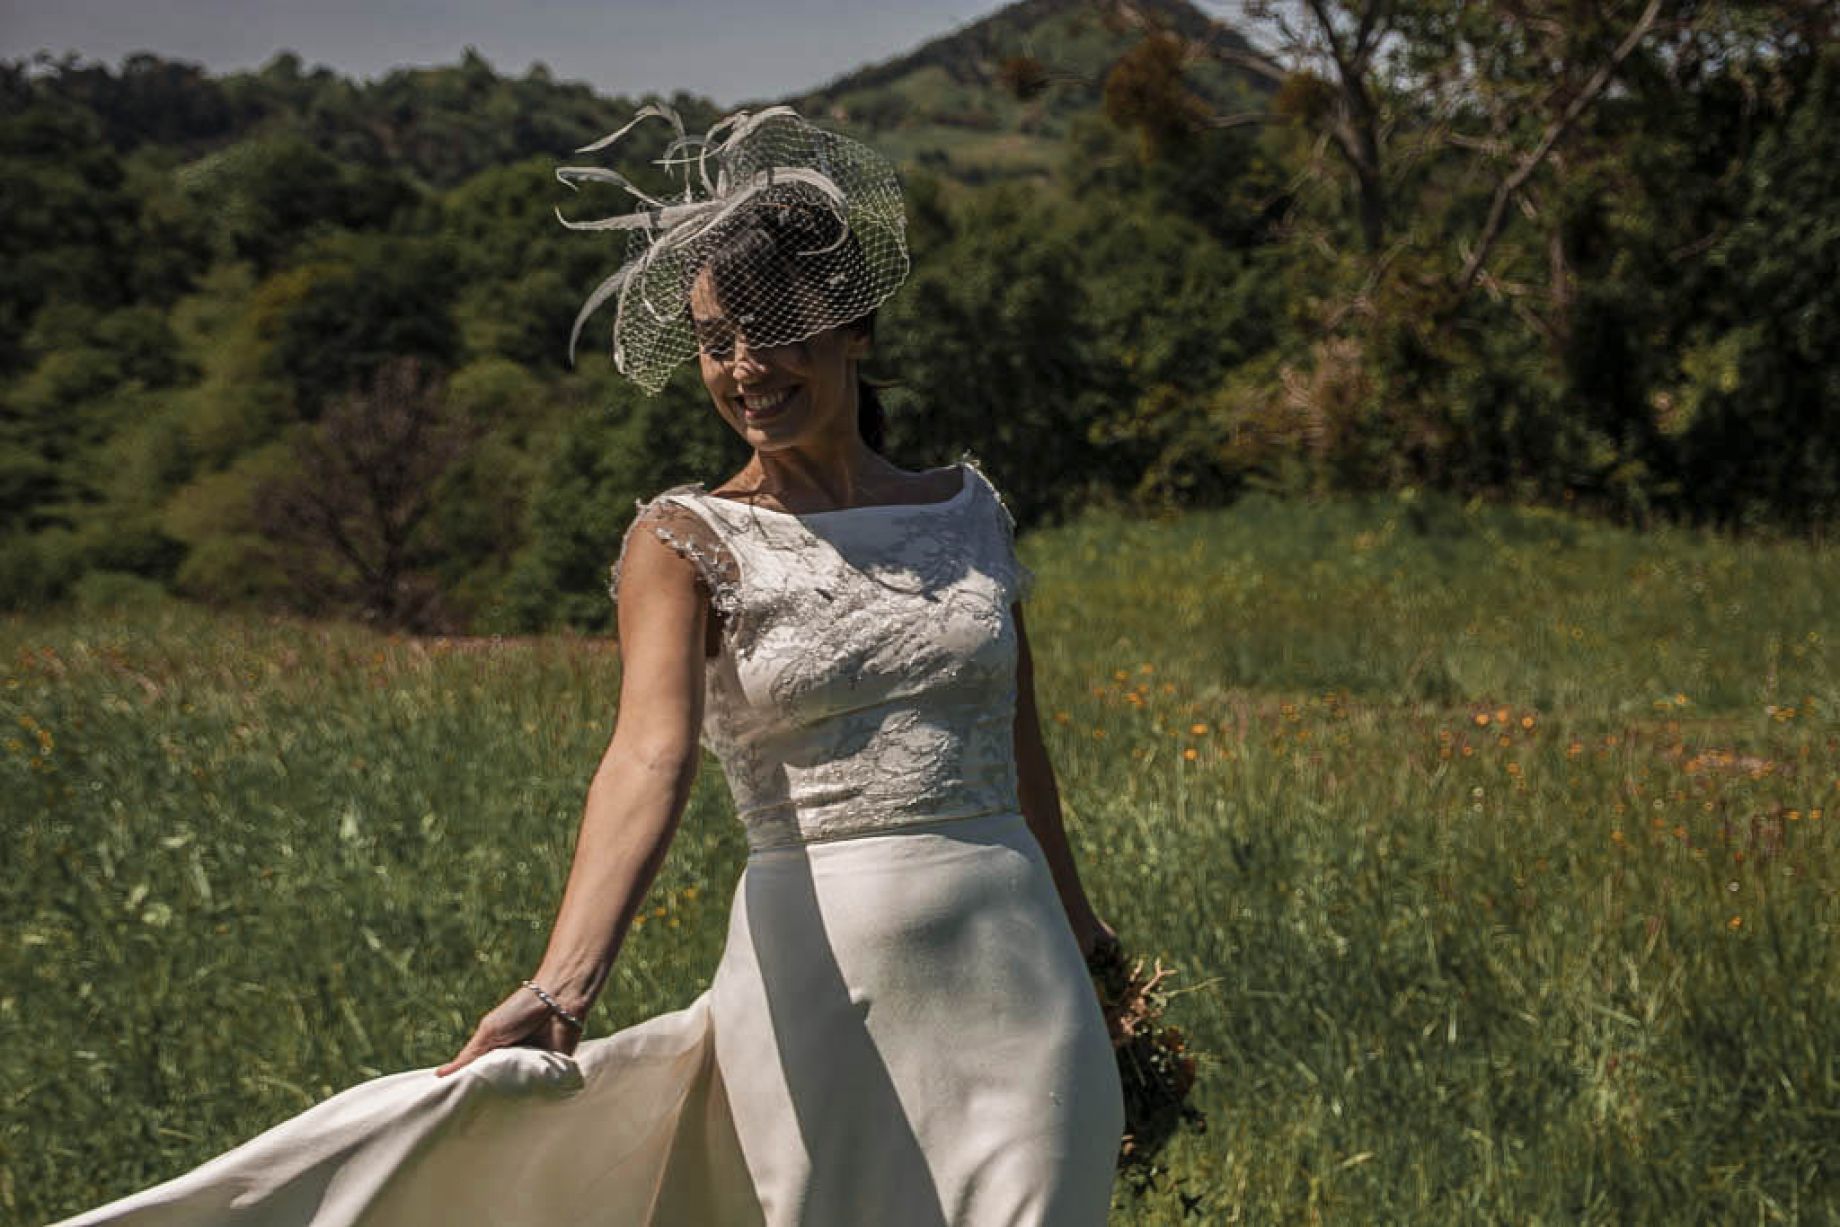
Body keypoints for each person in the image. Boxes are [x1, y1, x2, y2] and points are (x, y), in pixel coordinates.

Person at [53, 106, 1123, 1227]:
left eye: (775, 329)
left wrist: (1089, 938)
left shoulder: (967, 513)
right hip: (823, 989)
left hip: (1019, 976)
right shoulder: (685, 541)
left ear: (855, 325)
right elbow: (645, 759)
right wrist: (562, 985)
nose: (744, 368)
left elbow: (1018, 742)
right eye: (716, 339)